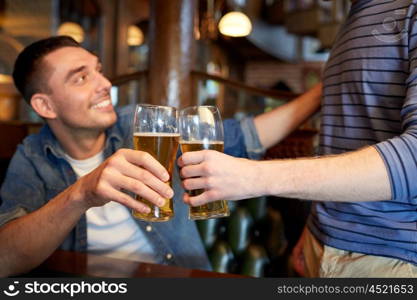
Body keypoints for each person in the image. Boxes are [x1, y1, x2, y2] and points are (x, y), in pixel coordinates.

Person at [0, 36, 274, 277]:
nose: (105, 84)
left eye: (99, 71)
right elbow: (6, 260)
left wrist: (316, 98)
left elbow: (246, 136)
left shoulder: (137, 125)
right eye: (82, 78)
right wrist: (80, 194)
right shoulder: (32, 157)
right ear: (45, 105)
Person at [178, 0, 417, 277]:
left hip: (391, 257)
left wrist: (253, 177)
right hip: (323, 242)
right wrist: (318, 221)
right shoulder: (356, 14)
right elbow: (345, 138)